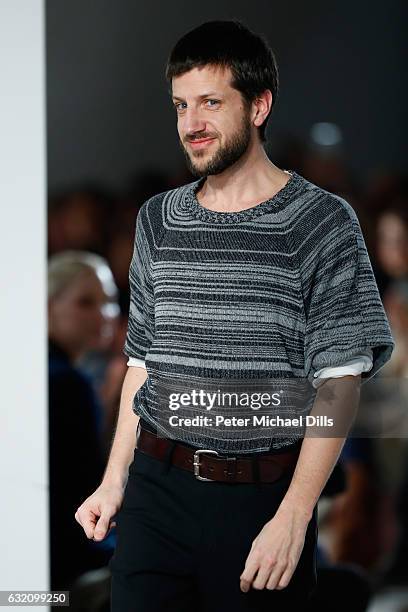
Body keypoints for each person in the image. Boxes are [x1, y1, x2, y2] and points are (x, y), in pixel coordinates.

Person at [74, 20, 395, 611]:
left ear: (259, 105)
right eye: (180, 105)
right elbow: (143, 363)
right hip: (155, 493)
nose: (190, 124)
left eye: (210, 103)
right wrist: (115, 477)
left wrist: (295, 516)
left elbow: (340, 382)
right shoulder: (158, 219)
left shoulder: (322, 222)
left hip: (262, 498)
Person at [48, 250, 118, 590]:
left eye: (110, 301)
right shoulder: (64, 382)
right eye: (86, 302)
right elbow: (83, 488)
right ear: (48, 307)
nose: (104, 314)